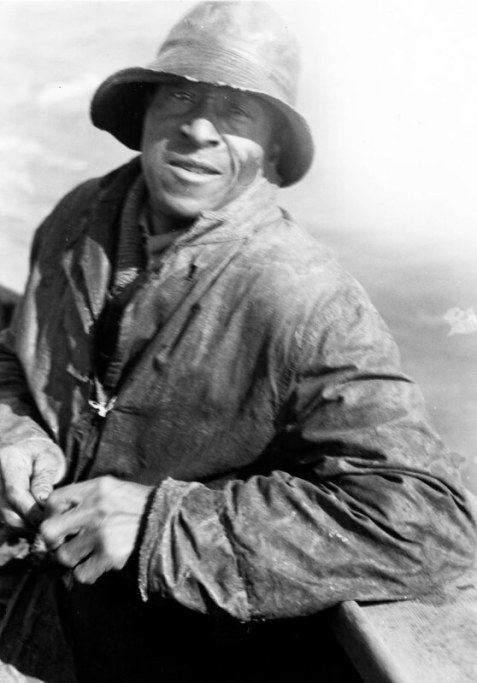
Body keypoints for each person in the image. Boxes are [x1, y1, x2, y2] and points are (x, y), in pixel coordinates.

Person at [0, 2, 475, 682]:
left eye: (236, 111)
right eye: (181, 97)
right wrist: (14, 424)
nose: (198, 129)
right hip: (37, 607)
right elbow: (12, 348)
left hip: (175, 649)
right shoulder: (79, 218)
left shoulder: (307, 300)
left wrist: (161, 526)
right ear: (142, 116)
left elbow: (426, 519)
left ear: (273, 150)